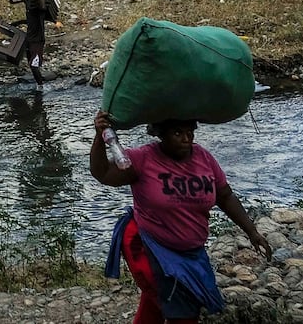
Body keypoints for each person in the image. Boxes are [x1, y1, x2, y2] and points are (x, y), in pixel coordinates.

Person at [90, 111, 270, 324]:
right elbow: (103, 173)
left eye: (190, 132)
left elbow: (225, 196)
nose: (186, 139)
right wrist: (99, 137)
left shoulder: (204, 158)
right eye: (177, 133)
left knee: (158, 301)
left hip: (191, 252)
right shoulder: (143, 159)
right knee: (181, 306)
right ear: (161, 134)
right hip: (149, 245)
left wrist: (252, 232)